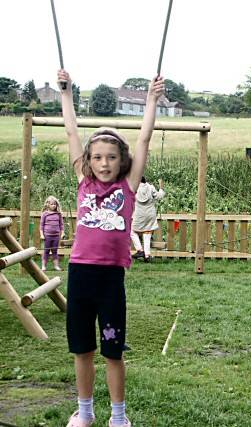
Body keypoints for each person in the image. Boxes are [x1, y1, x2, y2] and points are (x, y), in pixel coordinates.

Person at [58, 69, 164, 427]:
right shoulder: (83, 183)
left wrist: (150, 100)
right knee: (82, 350)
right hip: (80, 276)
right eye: (98, 157)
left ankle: (118, 417)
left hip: (109, 281)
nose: (104, 163)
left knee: (112, 351)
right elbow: (72, 131)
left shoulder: (129, 188)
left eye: (112, 157)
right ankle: (85, 412)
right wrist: (67, 94)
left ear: (122, 161)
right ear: (89, 161)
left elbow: (145, 139)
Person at [131, 177, 165, 262]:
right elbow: (159, 196)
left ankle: (140, 250)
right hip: (150, 214)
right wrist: (161, 187)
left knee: (132, 231)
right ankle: (147, 255)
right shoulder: (151, 187)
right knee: (147, 233)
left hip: (139, 214)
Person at [40, 195, 65, 271]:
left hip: (56, 236)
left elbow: (61, 225)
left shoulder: (58, 214)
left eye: (55, 204)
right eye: (52, 204)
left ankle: (56, 266)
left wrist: (62, 233)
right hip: (47, 236)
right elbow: (41, 225)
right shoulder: (45, 214)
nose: (54, 205)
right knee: (46, 251)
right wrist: (42, 235)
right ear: (48, 204)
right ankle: (44, 266)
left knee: (55, 251)